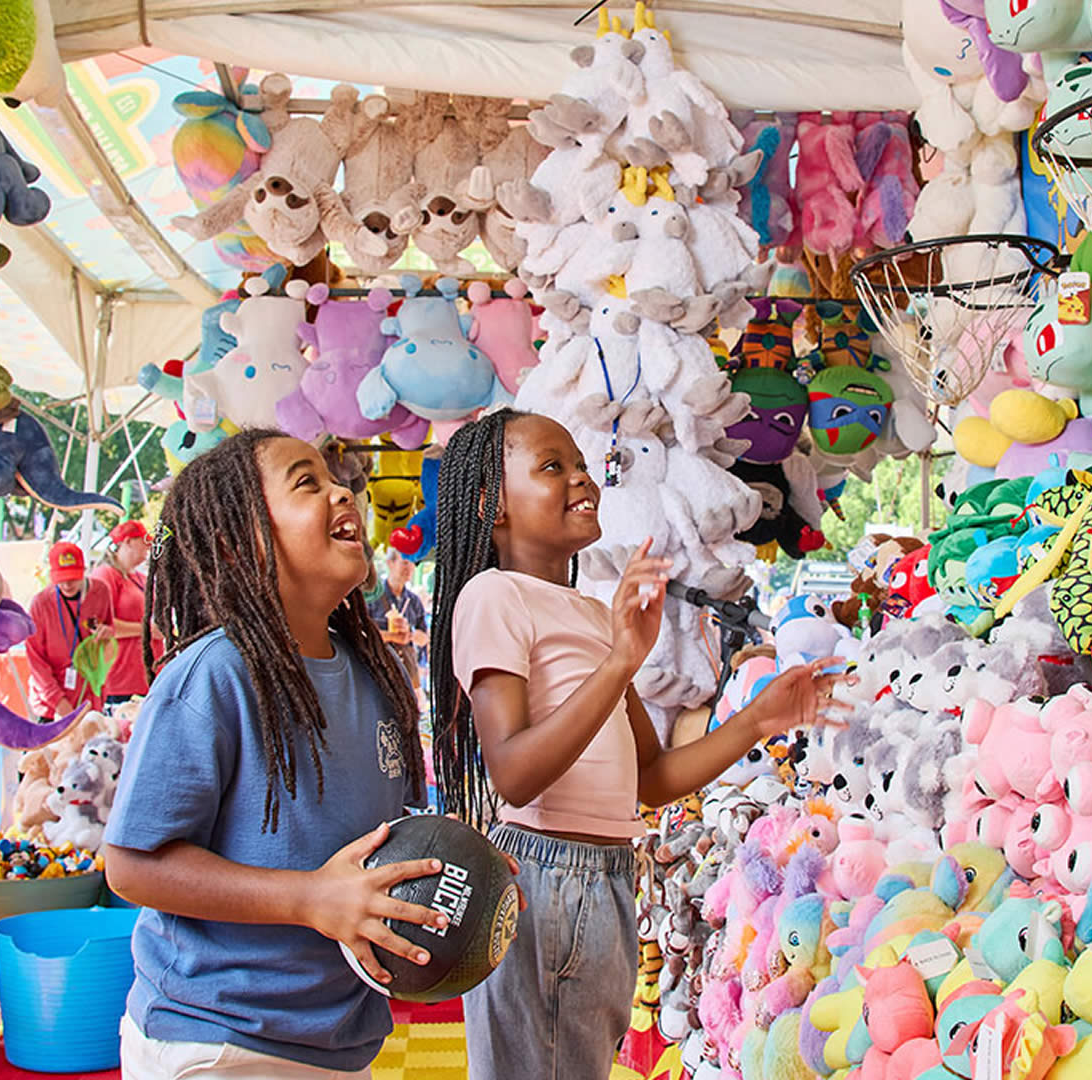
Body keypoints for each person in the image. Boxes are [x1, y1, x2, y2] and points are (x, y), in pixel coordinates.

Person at [429, 410, 849, 1080]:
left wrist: (754, 721)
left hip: (606, 876)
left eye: (582, 465)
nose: (582, 480)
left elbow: (647, 779)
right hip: (541, 875)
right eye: (552, 467)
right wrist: (621, 662)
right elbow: (512, 774)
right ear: (491, 504)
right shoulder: (492, 596)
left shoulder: (595, 615)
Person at [103, 430, 466, 1080]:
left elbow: (376, 840)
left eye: (335, 477)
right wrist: (308, 899)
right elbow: (132, 866)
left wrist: (459, 867)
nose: (340, 491)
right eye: (306, 482)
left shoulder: (376, 672)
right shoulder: (212, 675)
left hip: (341, 1040)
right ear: (235, 542)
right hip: (217, 1042)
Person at [25, 542, 117, 720]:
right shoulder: (41, 603)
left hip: (89, 700)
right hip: (52, 707)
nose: (67, 584)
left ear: (84, 571)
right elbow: (36, 660)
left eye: (73, 578)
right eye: (61, 579)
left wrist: (106, 632)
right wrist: (59, 703)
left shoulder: (100, 591)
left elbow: (108, 628)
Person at [92, 520, 157, 706]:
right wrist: (146, 631)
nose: (149, 546)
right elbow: (98, 624)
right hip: (120, 680)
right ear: (128, 542)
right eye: (144, 541)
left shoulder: (139, 577)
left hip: (147, 676)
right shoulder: (105, 576)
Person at [367, 549, 427, 687]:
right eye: (405, 562)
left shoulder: (414, 601)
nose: (410, 567)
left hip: (407, 675)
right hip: (378, 676)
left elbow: (424, 639)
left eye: (413, 563)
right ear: (390, 563)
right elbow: (361, 635)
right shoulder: (372, 597)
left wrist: (411, 635)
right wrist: (392, 636)